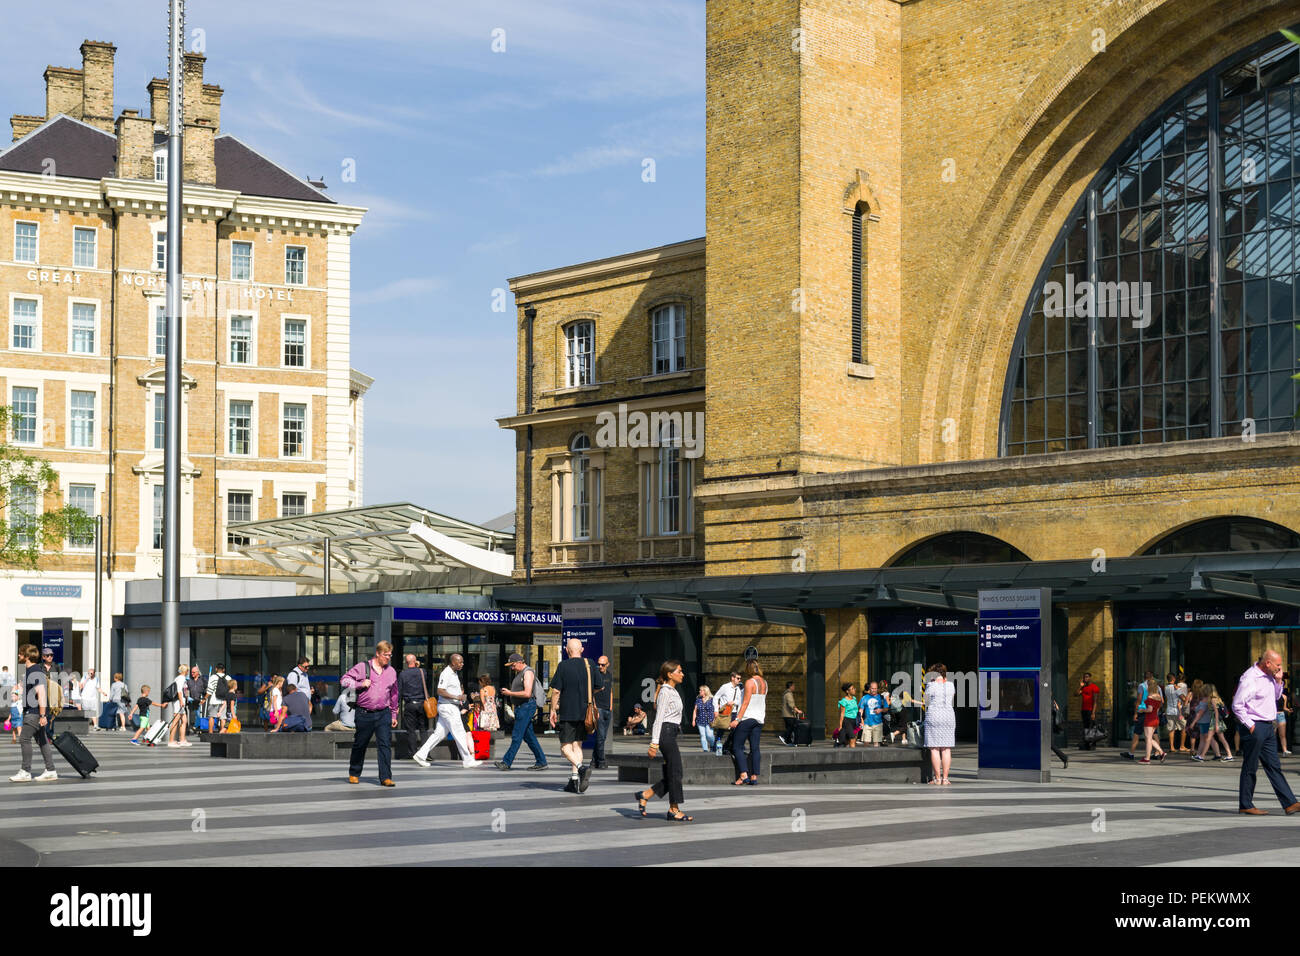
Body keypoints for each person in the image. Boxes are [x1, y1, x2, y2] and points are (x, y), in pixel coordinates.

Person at [1233, 650, 1300, 815]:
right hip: (1255, 725)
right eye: (1278, 664)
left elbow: (1275, 697)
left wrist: (1278, 682)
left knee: (1274, 766)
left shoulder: (1270, 676)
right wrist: (1250, 725)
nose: (1280, 668)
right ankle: (1245, 804)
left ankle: (1290, 803)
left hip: (1269, 725)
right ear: (1268, 663)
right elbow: (1237, 705)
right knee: (1251, 765)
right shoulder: (1250, 678)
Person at [635, 660, 692, 822]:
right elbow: (658, 719)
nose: (682, 674)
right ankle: (674, 809)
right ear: (670, 674)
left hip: (671, 733)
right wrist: (654, 743)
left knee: (672, 772)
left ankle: (645, 795)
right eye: (679, 671)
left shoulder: (672, 691)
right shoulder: (665, 692)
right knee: (676, 771)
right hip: (665, 733)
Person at [341, 641, 400, 786]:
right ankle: (354, 773)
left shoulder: (391, 671)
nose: (388, 658)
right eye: (386, 655)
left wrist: (393, 714)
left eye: (390, 655)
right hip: (364, 713)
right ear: (378, 654)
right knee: (360, 744)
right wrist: (360, 684)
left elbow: (394, 694)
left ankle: (385, 777)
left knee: (385, 745)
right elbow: (344, 680)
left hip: (383, 713)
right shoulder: (363, 667)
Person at [413, 654, 482, 770]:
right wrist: (457, 697)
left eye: (462, 662)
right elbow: (440, 691)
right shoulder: (446, 673)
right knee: (459, 733)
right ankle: (468, 760)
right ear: (453, 662)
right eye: (460, 662)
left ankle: (420, 755)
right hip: (449, 707)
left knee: (438, 734)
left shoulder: (453, 673)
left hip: (448, 707)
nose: (462, 664)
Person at [548, 638, 597, 793]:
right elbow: (600, 686)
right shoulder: (590, 664)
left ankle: (582, 769)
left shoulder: (563, 666)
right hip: (585, 712)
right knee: (577, 745)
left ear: (567, 650)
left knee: (565, 747)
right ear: (581, 650)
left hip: (568, 712)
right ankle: (574, 780)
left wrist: (552, 710)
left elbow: (556, 691)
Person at [494, 653, 548, 771]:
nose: (512, 668)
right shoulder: (520, 673)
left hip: (526, 706)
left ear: (519, 662)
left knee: (517, 735)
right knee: (529, 737)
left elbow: (527, 693)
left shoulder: (527, 672)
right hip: (522, 707)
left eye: (513, 665)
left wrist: (510, 693)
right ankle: (542, 761)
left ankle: (506, 762)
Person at [11, 645, 56, 781]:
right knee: (42, 740)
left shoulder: (35, 670)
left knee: (24, 738)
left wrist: (42, 715)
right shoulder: (31, 670)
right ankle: (50, 770)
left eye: (20, 653)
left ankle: (25, 771)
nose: (18, 656)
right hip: (34, 712)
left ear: (27, 656)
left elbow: (41, 694)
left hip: (34, 712)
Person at [729, 660, 767, 786]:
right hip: (759, 719)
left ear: (748, 669)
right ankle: (754, 777)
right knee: (755, 748)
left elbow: (745, 703)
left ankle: (743, 775)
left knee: (737, 746)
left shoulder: (750, 682)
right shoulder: (764, 683)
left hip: (747, 719)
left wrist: (737, 720)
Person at [924, 664, 956, 785]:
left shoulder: (930, 685)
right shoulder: (950, 685)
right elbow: (951, 699)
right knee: (946, 748)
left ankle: (937, 779)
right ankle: (945, 778)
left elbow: (926, 701)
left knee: (934, 748)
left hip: (934, 716)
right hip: (948, 716)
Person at [397, 654, 430, 746]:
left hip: (410, 704)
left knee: (411, 730)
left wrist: (397, 705)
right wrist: (418, 666)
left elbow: (399, 691)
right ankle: (425, 752)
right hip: (422, 704)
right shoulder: (422, 671)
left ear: (406, 662)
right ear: (416, 661)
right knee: (423, 729)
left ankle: (413, 752)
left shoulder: (403, 674)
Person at [713, 672, 743, 753]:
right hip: (725, 713)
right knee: (721, 732)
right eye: (738, 678)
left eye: (740, 678)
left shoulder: (738, 689)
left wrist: (734, 702)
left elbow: (740, 701)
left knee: (735, 731)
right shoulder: (725, 687)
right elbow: (715, 697)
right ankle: (715, 748)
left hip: (734, 713)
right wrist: (716, 710)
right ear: (732, 678)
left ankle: (727, 747)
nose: (739, 680)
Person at [1139, 678, 1166, 764]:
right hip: (1155, 719)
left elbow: (1150, 709)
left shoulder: (1150, 697)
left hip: (1149, 719)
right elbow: (1157, 709)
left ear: (1149, 686)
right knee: (1150, 738)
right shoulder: (1158, 697)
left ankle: (1147, 758)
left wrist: (1142, 710)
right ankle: (1161, 753)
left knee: (1148, 739)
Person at [593, 656, 612, 769]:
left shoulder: (609, 675)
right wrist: (595, 708)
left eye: (603, 665)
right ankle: (601, 761)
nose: (600, 666)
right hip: (599, 708)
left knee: (603, 737)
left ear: (607, 664)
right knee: (600, 736)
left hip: (607, 709)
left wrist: (610, 706)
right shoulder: (596, 675)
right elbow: (591, 692)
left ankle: (593, 760)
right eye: (599, 664)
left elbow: (610, 691)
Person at [166, 664, 192, 747]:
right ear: (185, 671)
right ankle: (171, 741)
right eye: (187, 670)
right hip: (179, 702)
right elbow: (179, 691)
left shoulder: (182, 678)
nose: (188, 672)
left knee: (184, 721)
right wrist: (181, 701)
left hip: (181, 701)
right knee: (176, 721)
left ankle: (182, 740)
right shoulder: (180, 679)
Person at [1077, 672, 1101, 750]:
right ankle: (1087, 744)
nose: (1085, 679)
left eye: (1087, 677)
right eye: (1084, 677)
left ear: (1090, 678)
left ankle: (1093, 744)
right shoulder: (1083, 687)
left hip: (1091, 710)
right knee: (1086, 727)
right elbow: (1076, 694)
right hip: (1084, 710)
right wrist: (1080, 687)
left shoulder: (1094, 687)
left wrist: (1093, 713)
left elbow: (1095, 701)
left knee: (1092, 727)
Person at [1162, 673, 1184, 755]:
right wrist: (1179, 690)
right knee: (1184, 727)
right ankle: (1182, 745)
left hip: (1169, 710)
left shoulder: (1166, 688)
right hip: (1177, 710)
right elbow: (1183, 698)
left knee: (1171, 729)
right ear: (1174, 679)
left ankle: (1172, 747)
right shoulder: (1176, 688)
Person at [860, 681, 886, 746]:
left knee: (876, 743)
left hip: (878, 723)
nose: (874, 690)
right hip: (867, 723)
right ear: (869, 688)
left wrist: (881, 710)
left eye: (875, 688)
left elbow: (886, 708)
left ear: (877, 689)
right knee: (866, 742)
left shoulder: (881, 698)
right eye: (872, 688)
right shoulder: (864, 698)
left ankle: (876, 756)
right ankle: (865, 755)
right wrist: (860, 720)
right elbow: (861, 710)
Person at [779, 681, 804, 746]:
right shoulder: (789, 694)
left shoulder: (785, 693)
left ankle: (788, 741)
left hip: (786, 714)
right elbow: (791, 704)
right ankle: (784, 736)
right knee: (792, 726)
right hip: (789, 714)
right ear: (790, 686)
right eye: (793, 686)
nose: (794, 687)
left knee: (788, 727)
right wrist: (797, 710)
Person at [692, 685, 716, 753]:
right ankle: (705, 749)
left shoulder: (712, 699)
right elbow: (695, 710)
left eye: (701, 690)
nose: (699, 691)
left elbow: (716, 709)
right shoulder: (698, 699)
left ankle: (712, 745)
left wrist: (715, 718)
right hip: (700, 720)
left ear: (705, 691)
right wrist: (693, 720)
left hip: (710, 720)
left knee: (709, 735)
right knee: (703, 735)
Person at [836, 683, 860, 748]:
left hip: (854, 721)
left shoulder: (854, 699)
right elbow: (842, 714)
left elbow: (856, 711)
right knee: (852, 738)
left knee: (849, 739)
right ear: (847, 691)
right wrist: (840, 726)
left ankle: (847, 753)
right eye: (852, 689)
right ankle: (853, 755)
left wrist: (861, 720)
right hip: (847, 721)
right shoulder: (843, 701)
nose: (854, 690)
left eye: (854, 688)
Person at [1276, 673, 1292, 757]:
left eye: (1282, 685)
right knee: (1271, 735)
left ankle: (1284, 750)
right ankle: (1271, 752)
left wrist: (1288, 709)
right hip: (1272, 715)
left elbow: (1284, 707)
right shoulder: (1272, 695)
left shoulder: (1284, 697)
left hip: (1281, 715)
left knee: (1282, 735)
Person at [185, 666, 204, 733]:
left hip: (199, 700)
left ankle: (196, 727)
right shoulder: (189, 680)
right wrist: (187, 697)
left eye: (193, 672)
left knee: (198, 714)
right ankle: (190, 728)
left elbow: (206, 689)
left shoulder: (202, 679)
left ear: (197, 672)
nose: (192, 673)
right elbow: (186, 689)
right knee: (191, 715)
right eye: (191, 672)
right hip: (191, 700)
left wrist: (204, 698)